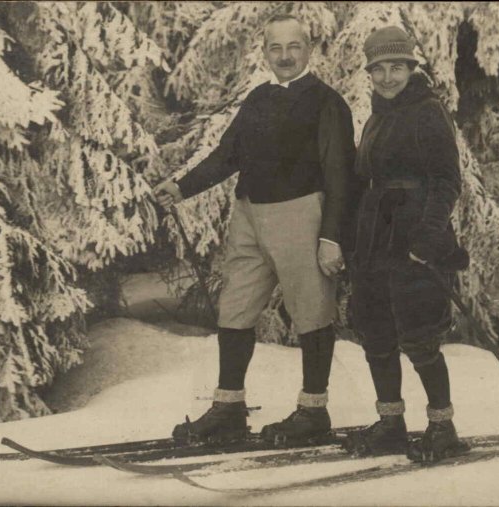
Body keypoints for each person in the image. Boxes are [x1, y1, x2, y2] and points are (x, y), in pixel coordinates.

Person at [154, 13, 356, 446]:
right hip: (248, 215)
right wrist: (181, 186)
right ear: (264, 53)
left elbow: (341, 174)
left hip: (301, 214)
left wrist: (332, 236)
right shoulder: (258, 99)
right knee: (236, 308)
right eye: (275, 48)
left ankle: (313, 411)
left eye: (293, 47)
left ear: (309, 49)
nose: (284, 56)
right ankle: (228, 408)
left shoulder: (326, 102)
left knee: (311, 311)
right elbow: (228, 154)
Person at [341, 26, 469, 462]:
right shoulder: (377, 117)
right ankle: (392, 424)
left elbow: (447, 180)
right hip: (375, 242)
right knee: (375, 334)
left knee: (418, 338)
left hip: (413, 242)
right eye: (379, 69)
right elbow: (364, 182)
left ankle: (441, 426)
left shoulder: (427, 111)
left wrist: (427, 239)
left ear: (411, 68)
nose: (388, 77)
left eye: (397, 67)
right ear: (370, 73)